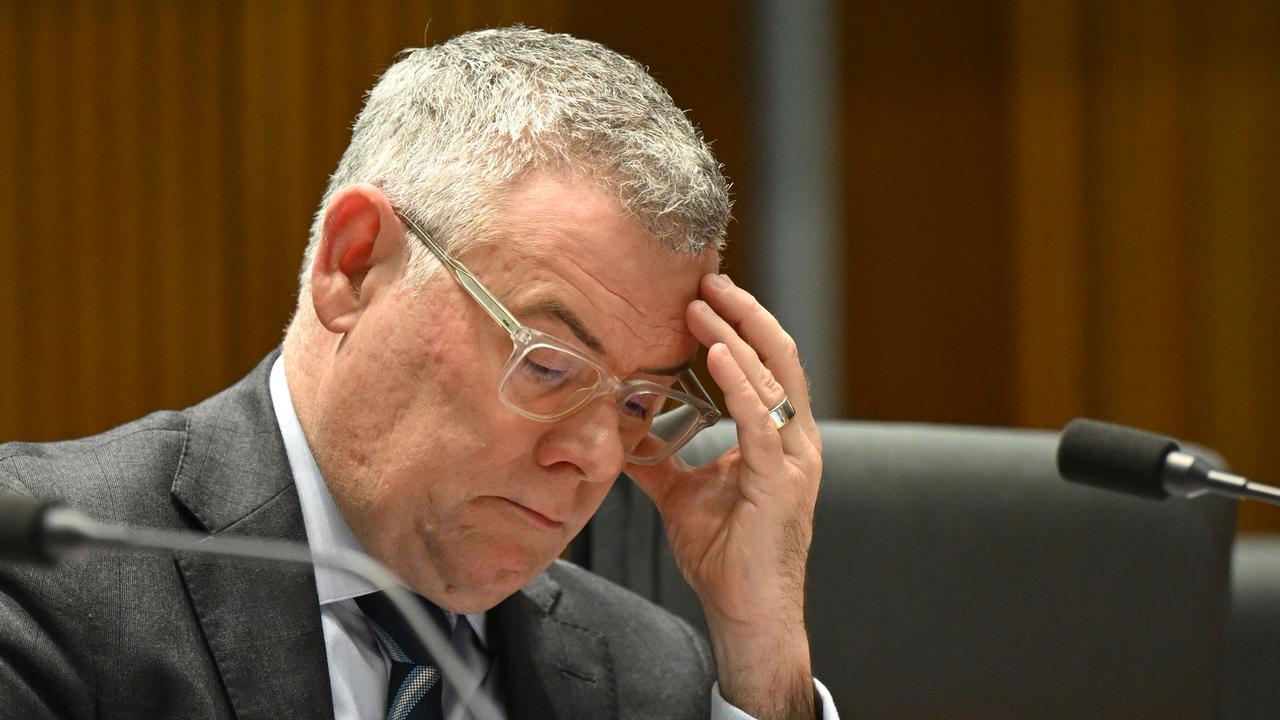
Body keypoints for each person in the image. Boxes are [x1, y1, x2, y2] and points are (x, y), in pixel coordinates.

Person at [0, 27, 831, 720]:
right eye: (547, 364)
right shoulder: (45, 578)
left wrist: (764, 660)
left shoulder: (646, 675)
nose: (595, 459)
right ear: (354, 265)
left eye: (639, 402)